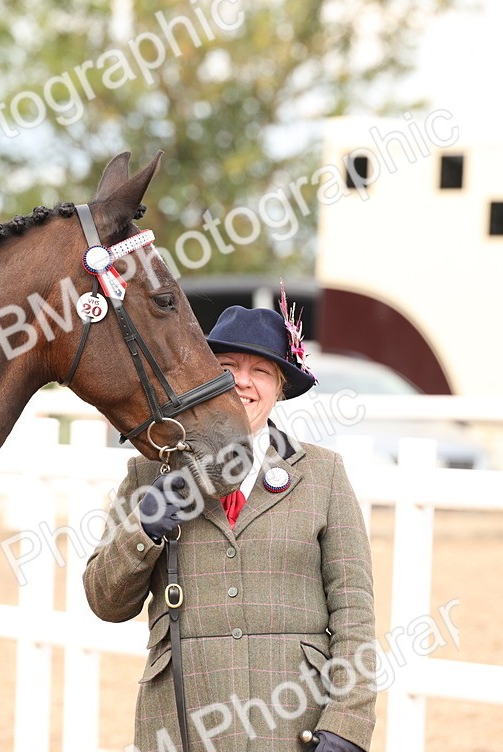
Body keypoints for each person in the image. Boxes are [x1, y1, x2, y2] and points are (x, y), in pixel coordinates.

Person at [83, 299, 377, 752]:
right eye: (228, 366)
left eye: (261, 371)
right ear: (206, 378)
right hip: (180, 724)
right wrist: (143, 530)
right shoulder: (149, 474)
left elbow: (354, 615)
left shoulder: (325, 474)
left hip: (291, 725)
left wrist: (348, 723)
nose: (243, 381)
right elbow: (106, 602)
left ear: (279, 387)